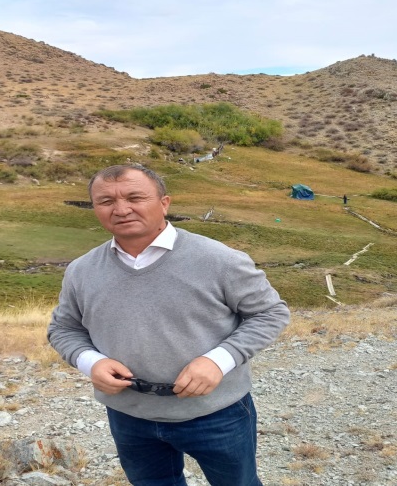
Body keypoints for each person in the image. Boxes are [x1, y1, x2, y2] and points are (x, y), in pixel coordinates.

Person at [47, 164, 290, 486]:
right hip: (128, 414)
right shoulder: (81, 270)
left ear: (164, 203)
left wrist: (218, 361)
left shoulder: (220, 260)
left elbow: (270, 313)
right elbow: (64, 329)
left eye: (135, 197)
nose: (121, 209)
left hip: (216, 413)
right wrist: (91, 362)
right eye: (106, 201)